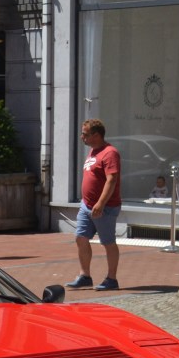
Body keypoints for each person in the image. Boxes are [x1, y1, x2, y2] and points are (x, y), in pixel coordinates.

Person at [67, 119, 122, 291]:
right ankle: (85, 276)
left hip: (104, 207)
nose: (81, 136)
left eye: (85, 133)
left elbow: (111, 180)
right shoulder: (92, 152)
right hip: (86, 205)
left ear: (96, 135)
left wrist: (100, 203)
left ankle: (111, 279)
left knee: (108, 242)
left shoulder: (110, 153)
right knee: (80, 238)